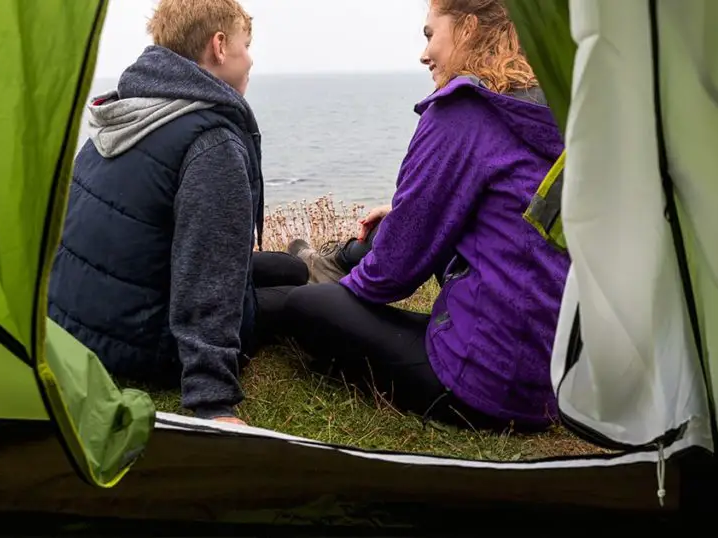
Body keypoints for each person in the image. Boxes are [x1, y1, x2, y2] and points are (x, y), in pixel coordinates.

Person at [282, 0, 571, 432]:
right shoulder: (552, 111)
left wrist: (345, 292)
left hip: (486, 387)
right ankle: (330, 263)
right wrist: (404, 215)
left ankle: (323, 272)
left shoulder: (463, 109)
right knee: (399, 230)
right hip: (550, 382)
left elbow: (392, 277)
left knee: (304, 306)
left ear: (469, 29)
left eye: (429, 34)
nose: (423, 53)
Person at [47, 0, 307, 427]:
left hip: (80, 327)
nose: (252, 58)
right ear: (219, 46)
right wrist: (213, 401)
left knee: (290, 269)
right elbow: (207, 271)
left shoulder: (126, 113)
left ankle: (308, 264)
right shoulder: (211, 143)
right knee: (299, 299)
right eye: (246, 44)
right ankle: (319, 277)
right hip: (149, 346)